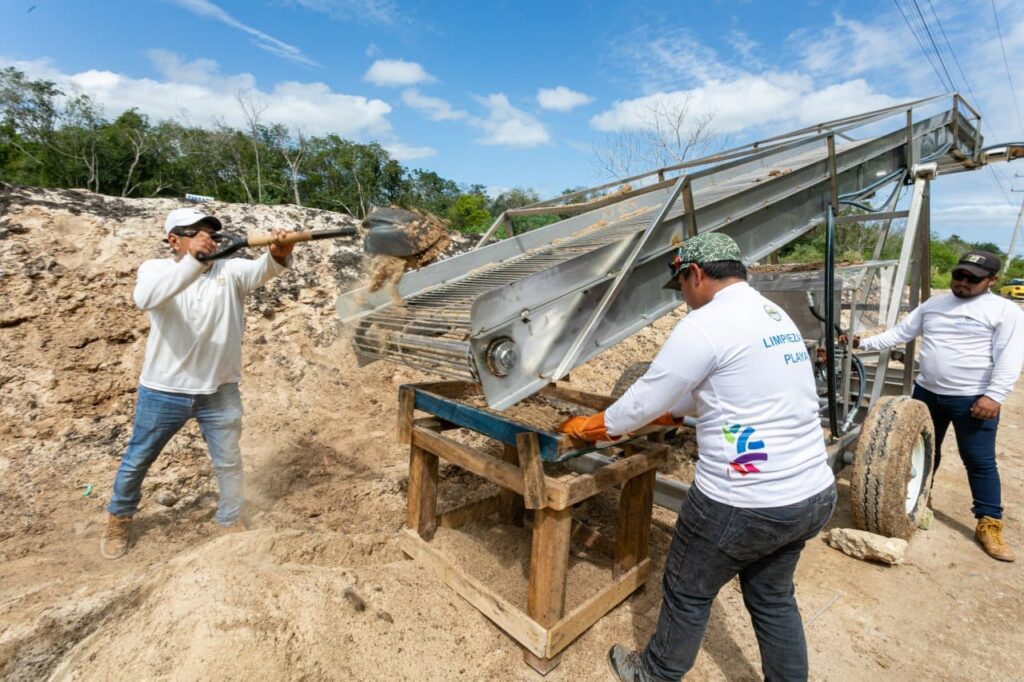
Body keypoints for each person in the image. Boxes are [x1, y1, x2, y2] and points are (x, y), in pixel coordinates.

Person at [560, 232, 836, 682]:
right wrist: (676, 412)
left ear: (696, 274)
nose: (684, 298)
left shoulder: (705, 323)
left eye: (682, 286)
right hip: (810, 494)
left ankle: (655, 672)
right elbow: (737, 381)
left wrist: (592, 427)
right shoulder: (772, 314)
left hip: (744, 500)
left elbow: (642, 400)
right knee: (772, 596)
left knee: (687, 589)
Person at [100, 207, 294, 559]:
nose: (208, 236)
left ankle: (231, 518)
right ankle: (119, 517)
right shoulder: (155, 270)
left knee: (229, 460)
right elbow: (146, 299)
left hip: (219, 389)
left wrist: (278, 255)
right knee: (138, 459)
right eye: (196, 231)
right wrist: (195, 261)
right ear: (174, 240)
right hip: (163, 390)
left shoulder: (230, 270)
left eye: (211, 232)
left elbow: (260, 271)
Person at [848, 250, 1024, 562]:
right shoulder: (935, 305)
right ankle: (921, 499)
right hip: (927, 392)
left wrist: (994, 395)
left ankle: (989, 523)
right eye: (959, 275)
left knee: (979, 461)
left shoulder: (1003, 311)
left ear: (991, 280)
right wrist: (861, 343)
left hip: (973, 399)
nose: (963, 283)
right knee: (926, 451)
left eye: (973, 279)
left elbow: (1011, 356)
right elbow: (901, 334)